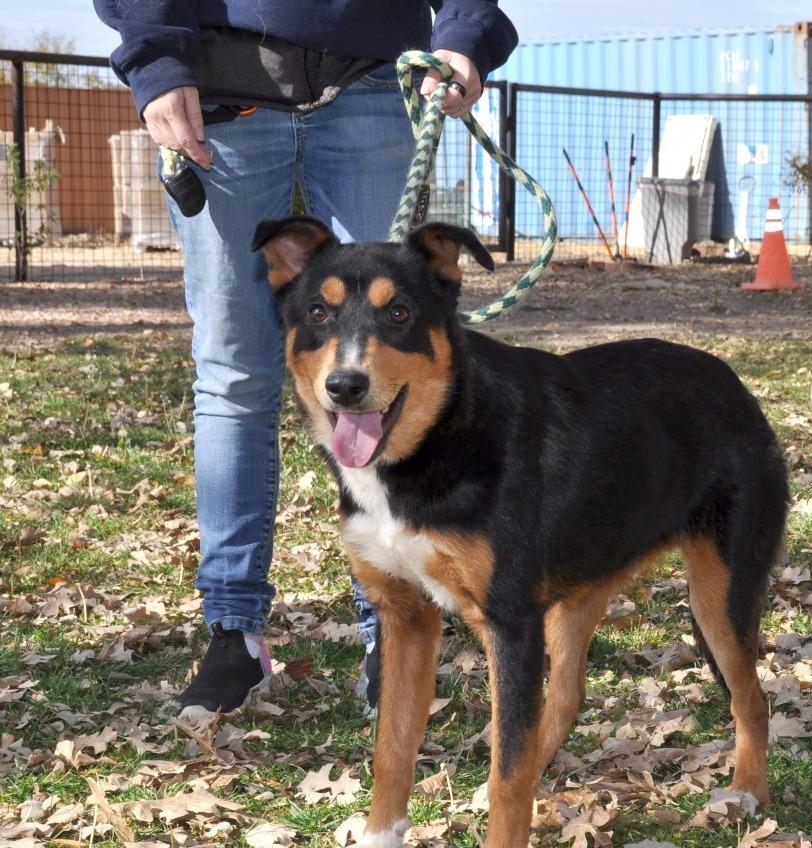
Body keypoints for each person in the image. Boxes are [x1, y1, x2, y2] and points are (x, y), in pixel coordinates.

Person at [94, 1, 518, 715]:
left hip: (375, 90)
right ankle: (234, 634)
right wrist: (156, 61)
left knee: (386, 373)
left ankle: (392, 625)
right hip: (220, 99)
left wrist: (467, 34)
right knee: (234, 376)